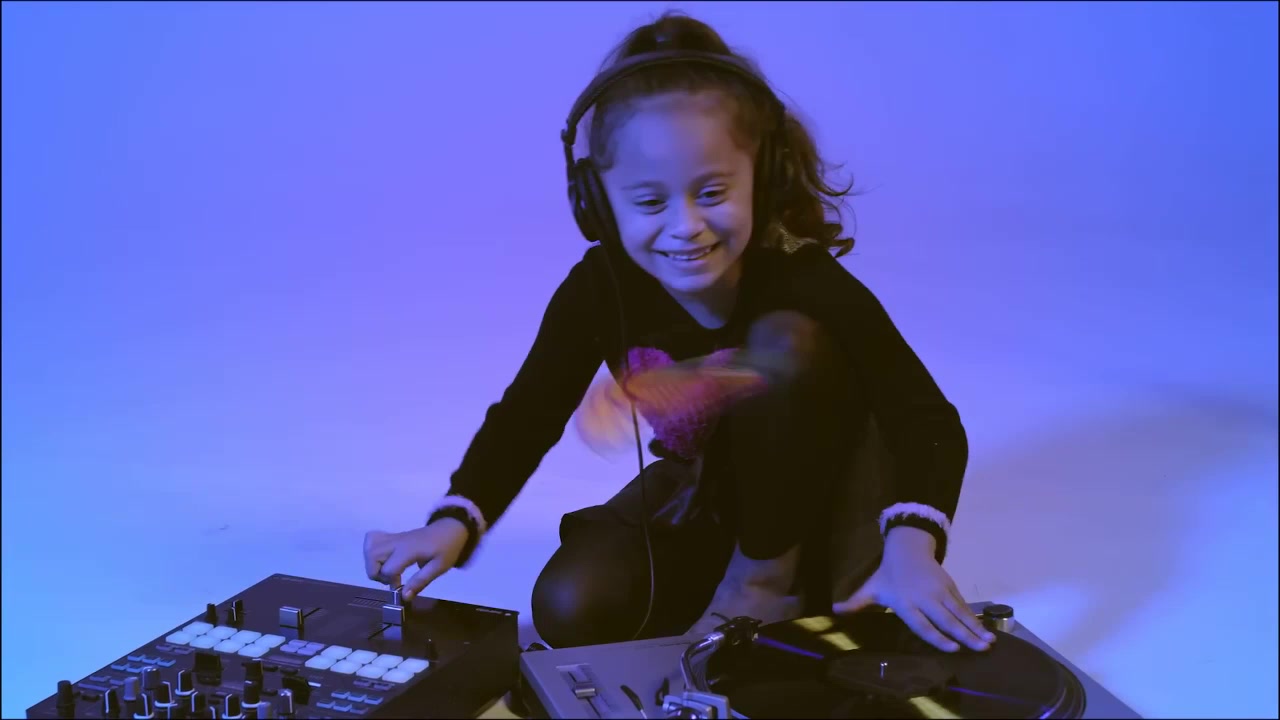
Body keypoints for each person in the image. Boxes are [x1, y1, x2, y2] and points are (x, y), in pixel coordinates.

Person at [363, 11, 994, 655]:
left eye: (712, 192)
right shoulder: (600, 288)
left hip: (831, 508)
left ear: (763, 177)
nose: (686, 225)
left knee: (786, 344)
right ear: (595, 202)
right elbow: (528, 413)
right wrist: (453, 521)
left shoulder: (805, 280)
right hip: (711, 499)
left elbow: (926, 420)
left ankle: (767, 586)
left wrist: (912, 546)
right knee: (570, 604)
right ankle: (735, 582)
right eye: (649, 201)